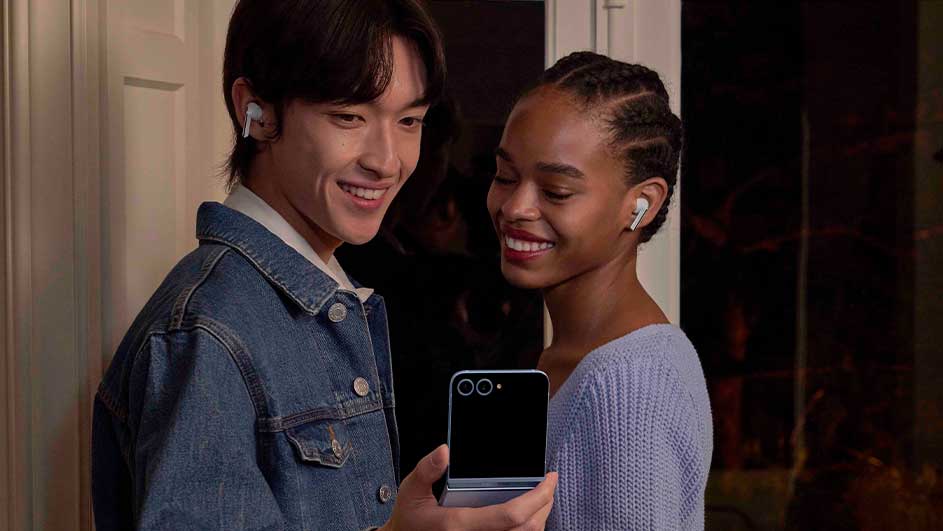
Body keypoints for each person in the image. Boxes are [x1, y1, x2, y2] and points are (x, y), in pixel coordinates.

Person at [90, 1, 556, 530]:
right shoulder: (208, 333)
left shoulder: (332, 297)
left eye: (409, 121)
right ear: (257, 112)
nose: (386, 159)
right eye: (349, 117)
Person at [486, 51, 713, 530]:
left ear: (640, 205)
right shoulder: (566, 357)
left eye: (556, 191)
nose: (515, 207)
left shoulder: (628, 389)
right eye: (505, 176)